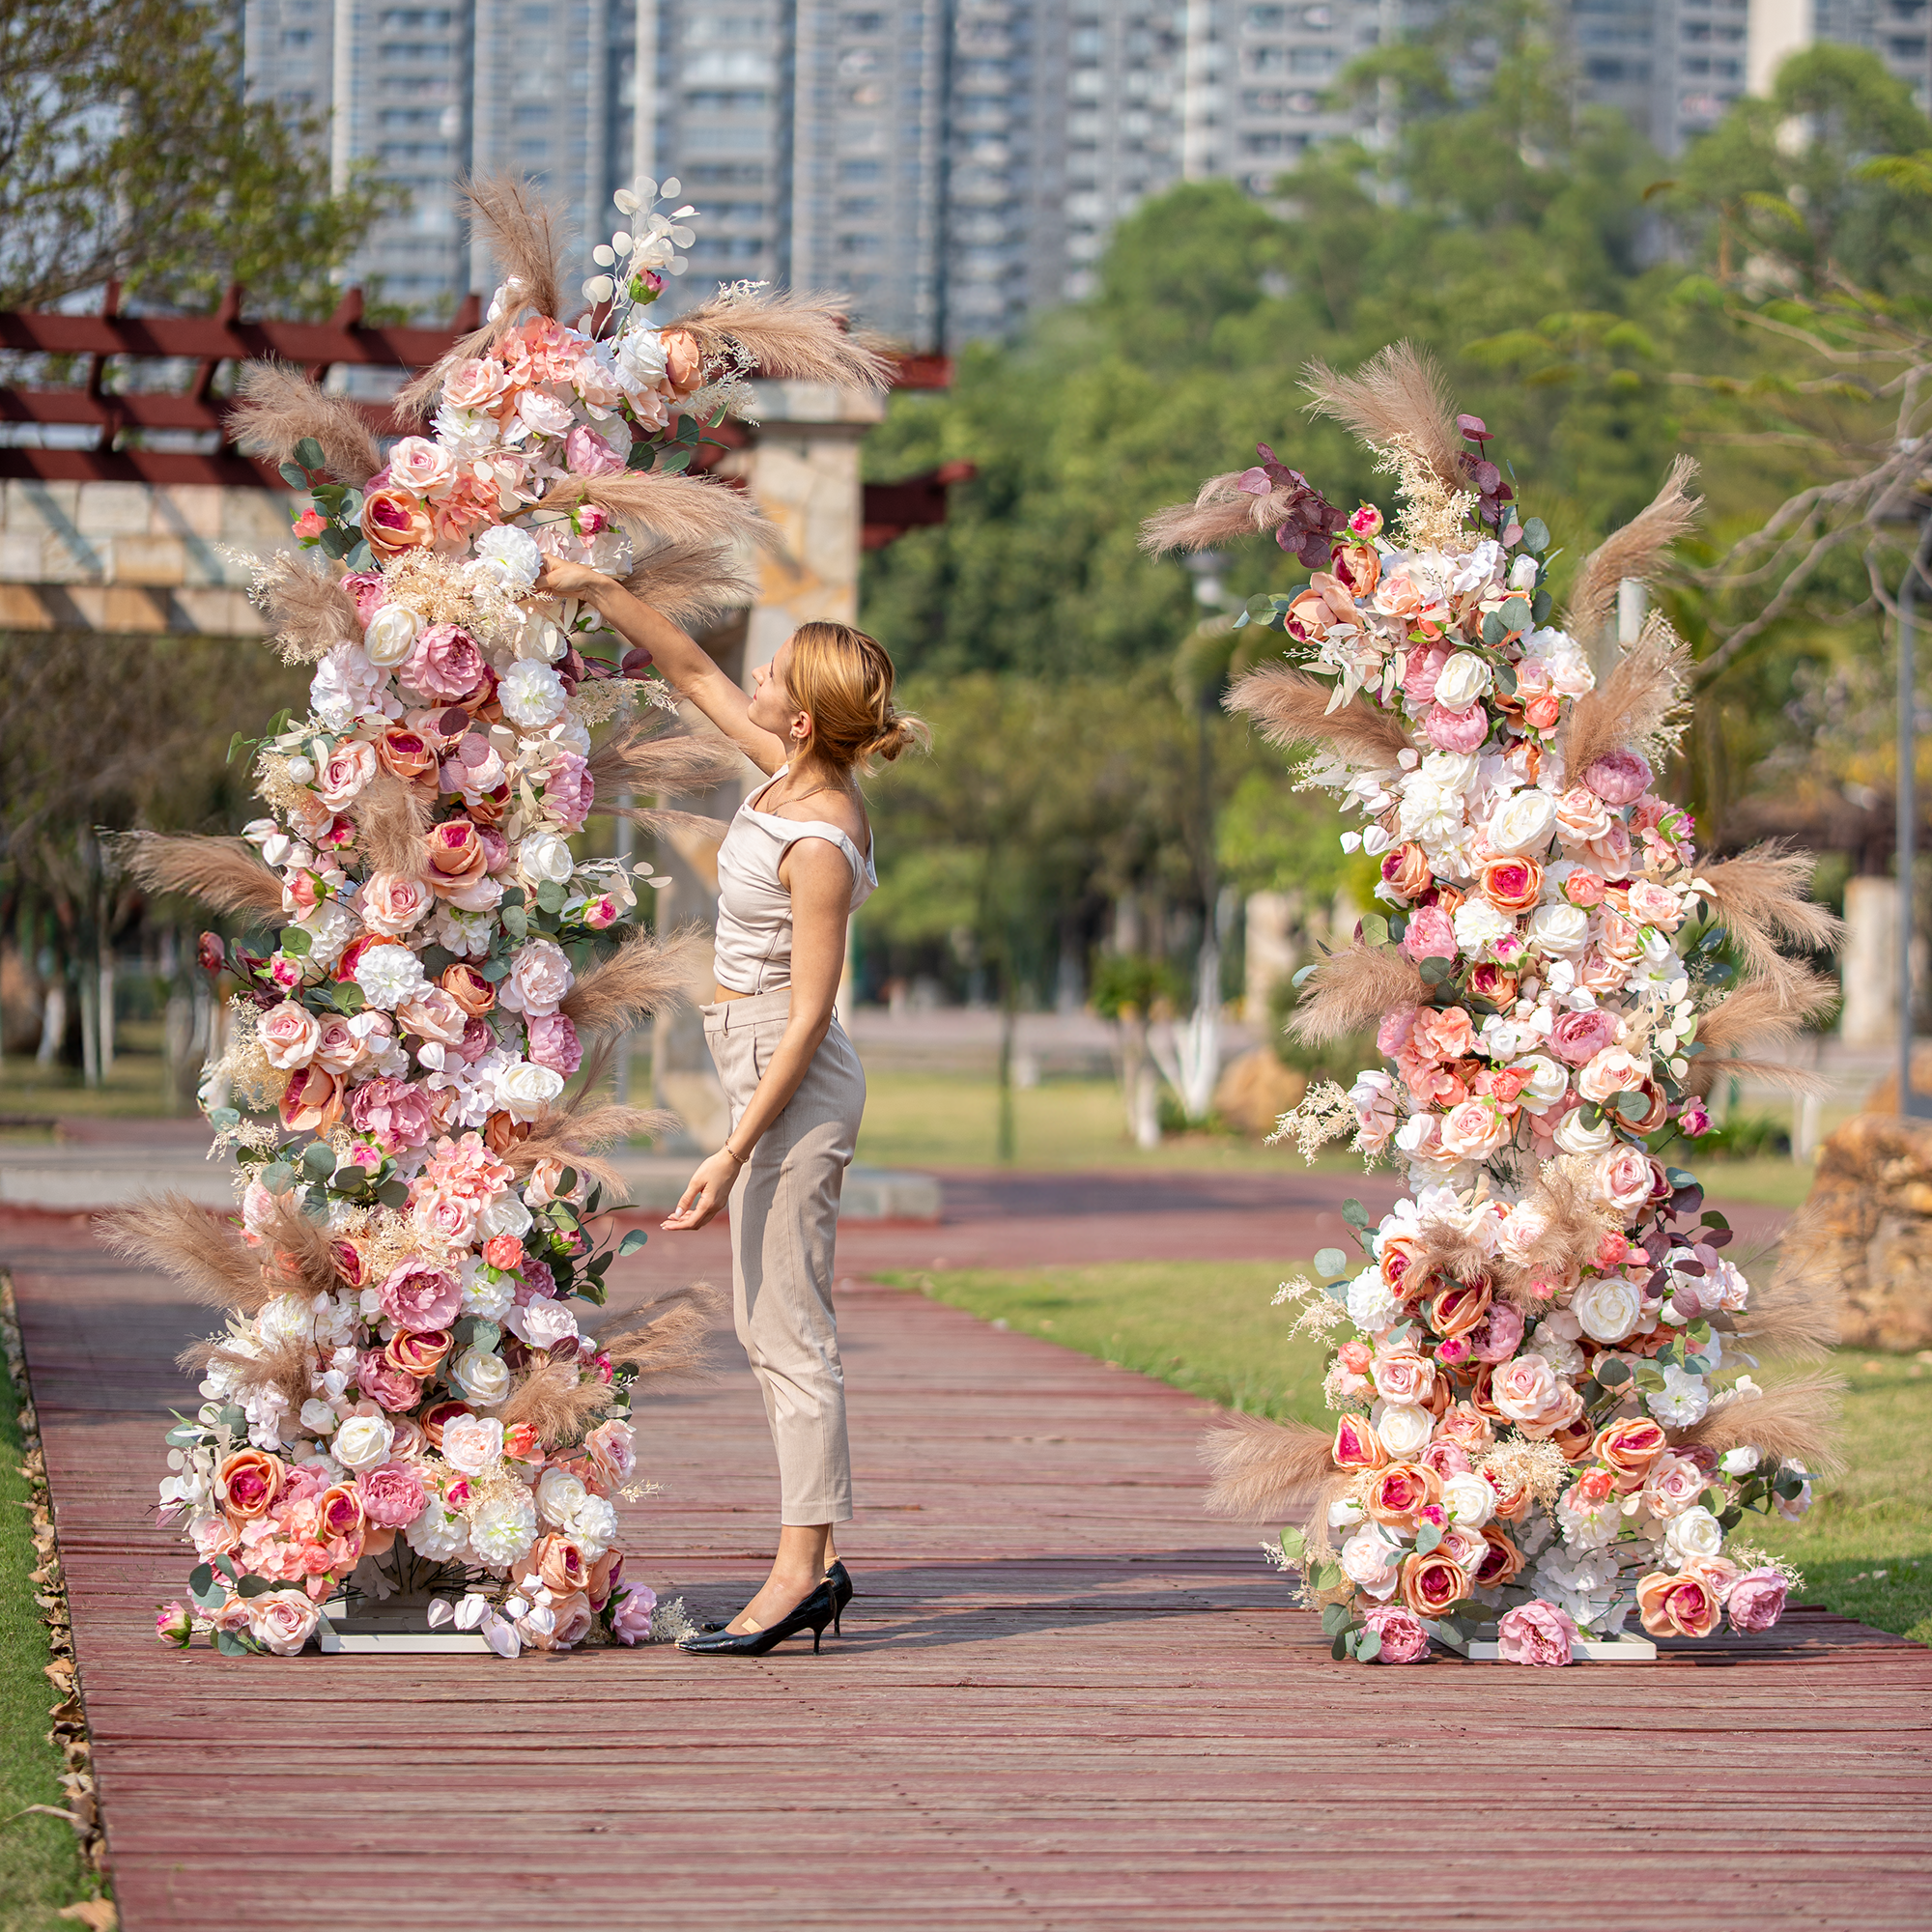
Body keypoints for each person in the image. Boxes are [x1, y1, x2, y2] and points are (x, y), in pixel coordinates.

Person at [536, 557, 924, 1656]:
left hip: (788, 1082)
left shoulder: (820, 840)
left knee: (789, 1330)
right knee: (769, 1325)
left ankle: (801, 1570)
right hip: (755, 1063)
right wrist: (591, 583)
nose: (750, 672)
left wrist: (724, 1150)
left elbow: (807, 1019)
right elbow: (690, 664)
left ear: (799, 718)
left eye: (775, 671)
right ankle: (807, 1559)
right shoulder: (779, 775)